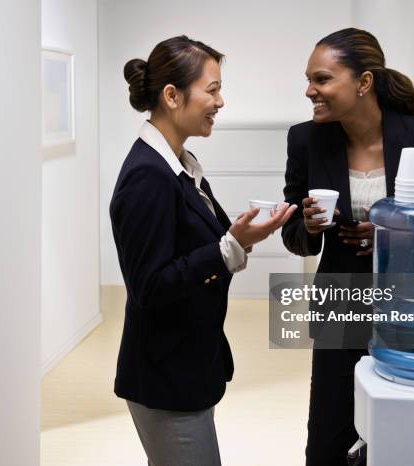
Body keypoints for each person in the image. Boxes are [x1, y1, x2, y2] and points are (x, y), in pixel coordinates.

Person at [110, 35, 296, 466]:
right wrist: (232, 246)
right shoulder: (148, 176)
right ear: (172, 96)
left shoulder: (182, 165)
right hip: (164, 381)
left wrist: (239, 237)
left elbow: (197, 249)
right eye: (212, 90)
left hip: (186, 369)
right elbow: (150, 287)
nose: (221, 101)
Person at [281, 28, 414, 465]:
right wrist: (309, 225)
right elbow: (295, 239)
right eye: (309, 79)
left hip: (409, 307)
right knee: (329, 436)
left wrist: (390, 235)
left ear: (363, 83)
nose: (310, 90)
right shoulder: (306, 140)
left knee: (399, 430)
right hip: (341, 304)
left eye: (322, 79)